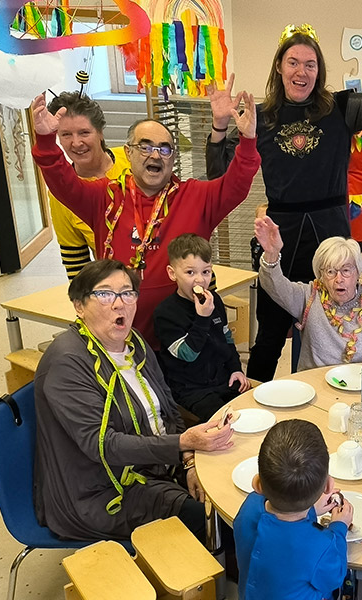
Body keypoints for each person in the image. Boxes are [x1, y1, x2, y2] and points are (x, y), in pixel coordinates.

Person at [205, 18, 362, 382]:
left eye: (310, 64)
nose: (301, 71)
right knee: (269, 337)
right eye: (293, 62)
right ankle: (256, 410)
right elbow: (219, 175)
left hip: (331, 236)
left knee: (337, 330)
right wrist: (219, 126)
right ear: (279, 67)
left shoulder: (341, 108)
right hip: (282, 238)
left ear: (319, 69)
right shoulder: (260, 117)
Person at [30, 90, 260, 348]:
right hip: (122, 332)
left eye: (164, 149)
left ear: (173, 157)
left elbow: (237, 184)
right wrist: (47, 142)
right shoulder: (104, 197)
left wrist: (248, 140)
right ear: (128, 153)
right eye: (145, 146)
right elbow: (64, 184)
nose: (155, 155)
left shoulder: (197, 196)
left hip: (187, 331)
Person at [33, 259, 235, 542]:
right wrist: (183, 444)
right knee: (210, 518)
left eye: (127, 293)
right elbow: (102, 445)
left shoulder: (134, 342)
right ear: (79, 306)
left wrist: (188, 460)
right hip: (100, 491)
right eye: (104, 294)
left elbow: (167, 407)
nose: (120, 305)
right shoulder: (67, 363)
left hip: (154, 464)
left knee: (228, 487)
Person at [254, 216, 362, 369]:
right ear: (321, 275)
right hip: (315, 387)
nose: (339, 279)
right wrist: (272, 254)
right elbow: (273, 285)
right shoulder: (308, 296)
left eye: (346, 270)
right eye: (330, 271)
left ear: (358, 273)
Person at [234, 419, 353, 600]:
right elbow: (335, 577)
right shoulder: (320, 545)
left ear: (257, 484)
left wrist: (310, 508)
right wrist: (339, 526)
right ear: (328, 486)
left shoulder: (249, 507)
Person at [154, 234, 251, 421]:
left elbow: (227, 339)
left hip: (222, 379)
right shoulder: (165, 313)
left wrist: (235, 369)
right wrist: (203, 318)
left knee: (251, 411)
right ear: (172, 273)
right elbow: (188, 354)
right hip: (191, 389)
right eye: (190, 273)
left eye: (205, 272)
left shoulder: (215, 301)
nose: (199, 280)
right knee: (226, 422)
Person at [45, 92, 131, 279]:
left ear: (100, 132)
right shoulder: (62, 193)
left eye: (84, 132)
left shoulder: (133, 161)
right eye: (66, 134)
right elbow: (75, 261)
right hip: (117, 284)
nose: (76, 143)